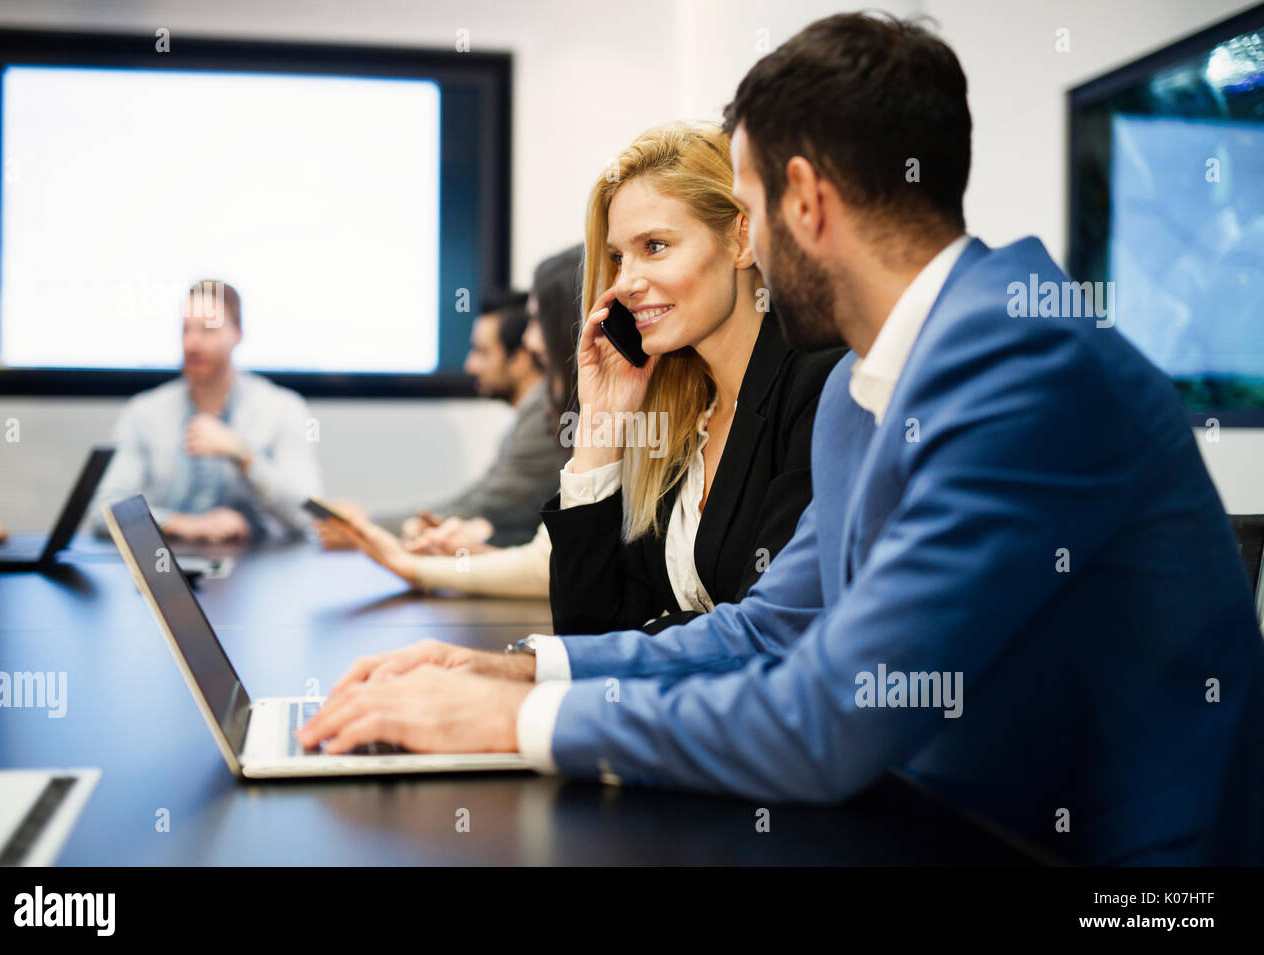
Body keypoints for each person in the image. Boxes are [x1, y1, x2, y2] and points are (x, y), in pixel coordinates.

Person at [299, 13, 1264, 865]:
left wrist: (517, 720)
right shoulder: (861, 384)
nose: (748, 236)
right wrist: (524, 669)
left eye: (749, 205)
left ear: (803, 201)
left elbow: (838, 715)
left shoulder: (1024, 366)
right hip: (927, 819)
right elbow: (770, 630)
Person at [542, 121, 857, 634]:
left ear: (742, 239)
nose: (625, 283)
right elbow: (589, 635)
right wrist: (600, 431)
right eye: (619, 257)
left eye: (656, 246)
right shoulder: (684, 411)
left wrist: (650, 634)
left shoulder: (821, 384)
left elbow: (775, 630)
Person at [325, 246, 585, 598]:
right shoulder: (557, 412)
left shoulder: (556, 415)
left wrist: (373, 531)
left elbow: (491, 507)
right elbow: (540, 555)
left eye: (481, 351)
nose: (530, 338)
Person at [317, 291, 570, 551]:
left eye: (481, 352)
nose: (470, 365)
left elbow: (487, 506)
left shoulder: (544, 416)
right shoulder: (533, 414)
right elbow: (482, 502)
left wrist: (365, 529)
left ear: (520, 359)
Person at [90, 279, 322, 542]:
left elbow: (306, 514)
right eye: (186, 329)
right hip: (165, 570)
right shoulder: (144, 413)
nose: (193, 343)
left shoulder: (283, 409)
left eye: (208, 330)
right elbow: (105, 511)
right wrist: (183, 524)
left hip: (258, 570)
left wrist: (243, 455)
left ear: (238, 333)